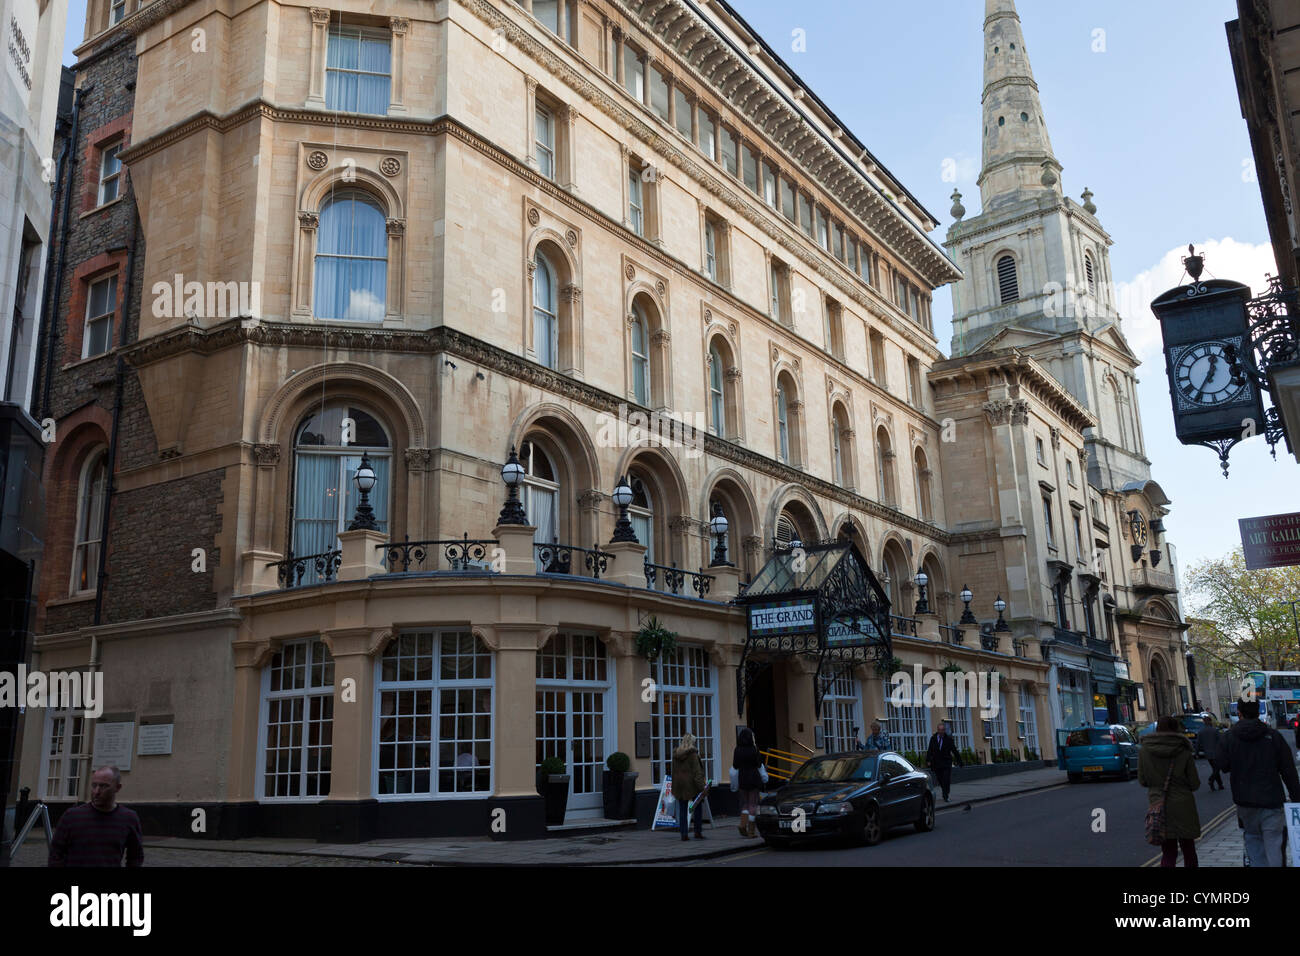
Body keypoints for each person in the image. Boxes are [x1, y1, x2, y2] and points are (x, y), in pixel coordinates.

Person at [1216, 698, 1300, 867]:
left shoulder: (1229, 737)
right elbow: (1288, 771)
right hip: (1272, 799)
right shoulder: (1273, 736)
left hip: (1245, 801)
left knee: (1253, 840)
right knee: (1274, 842)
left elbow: (1223, 766)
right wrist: (1296, 797)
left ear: (1239, 712)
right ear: (1258, 711)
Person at [49, 766, 144, 867]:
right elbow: (56, 853)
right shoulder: (72, 816)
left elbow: (136, 856)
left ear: (117, 787)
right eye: (94, 785)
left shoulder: (128, 818)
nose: (97, 792)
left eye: (104, 786)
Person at [1138, 715, 1200, 868]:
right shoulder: (1184, 750)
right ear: (1176, 729)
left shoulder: (1145, 750)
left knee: (1168, 852)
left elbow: (1143, 780)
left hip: (1159, 805)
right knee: (1188, 849)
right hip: (1183, 805)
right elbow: (1194, 783)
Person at [671, 732, 707, 841]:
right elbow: (697, 773)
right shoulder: (693, 755)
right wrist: (703, 788)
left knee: (682, 809)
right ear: (692, 742)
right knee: (697, 807)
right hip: (692, 785)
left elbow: (673, 771)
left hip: (679, 784)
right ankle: (697, 831)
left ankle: (684, 834)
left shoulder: (676, 755)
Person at [731, 728, 764, 839]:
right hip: (754, 778)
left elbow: (735, 765)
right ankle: (751, 831)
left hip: (742, 778)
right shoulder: (754, 749)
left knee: (745, 804)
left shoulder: (737, 749)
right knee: (753, 804)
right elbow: (759, 764)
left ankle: (742, 825)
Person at [925, 721, 962, 803]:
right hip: (937, 764)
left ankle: (945, 795)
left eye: (943, 730)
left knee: (946, 779)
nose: (941, 732)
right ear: (937, 730)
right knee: (941, 780)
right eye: (940, 730)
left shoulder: (948, 739)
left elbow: (954, 750)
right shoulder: (933, 739)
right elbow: (930, 750)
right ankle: (945, 791)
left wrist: (960, 761)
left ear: (944, 730)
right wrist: (928, 760)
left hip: (946, 763)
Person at [1196, 716, 1224, 791]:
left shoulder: (1201, 731)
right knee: (1217, 769)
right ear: (1210, 721)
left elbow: (1198, 743)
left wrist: (1197, 753)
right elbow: (1221, 741)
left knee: (1215, 768)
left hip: (1207, 754)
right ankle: (1211, 780)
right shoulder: (1215, 730)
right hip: (1216, 753)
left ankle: (1219, 785)